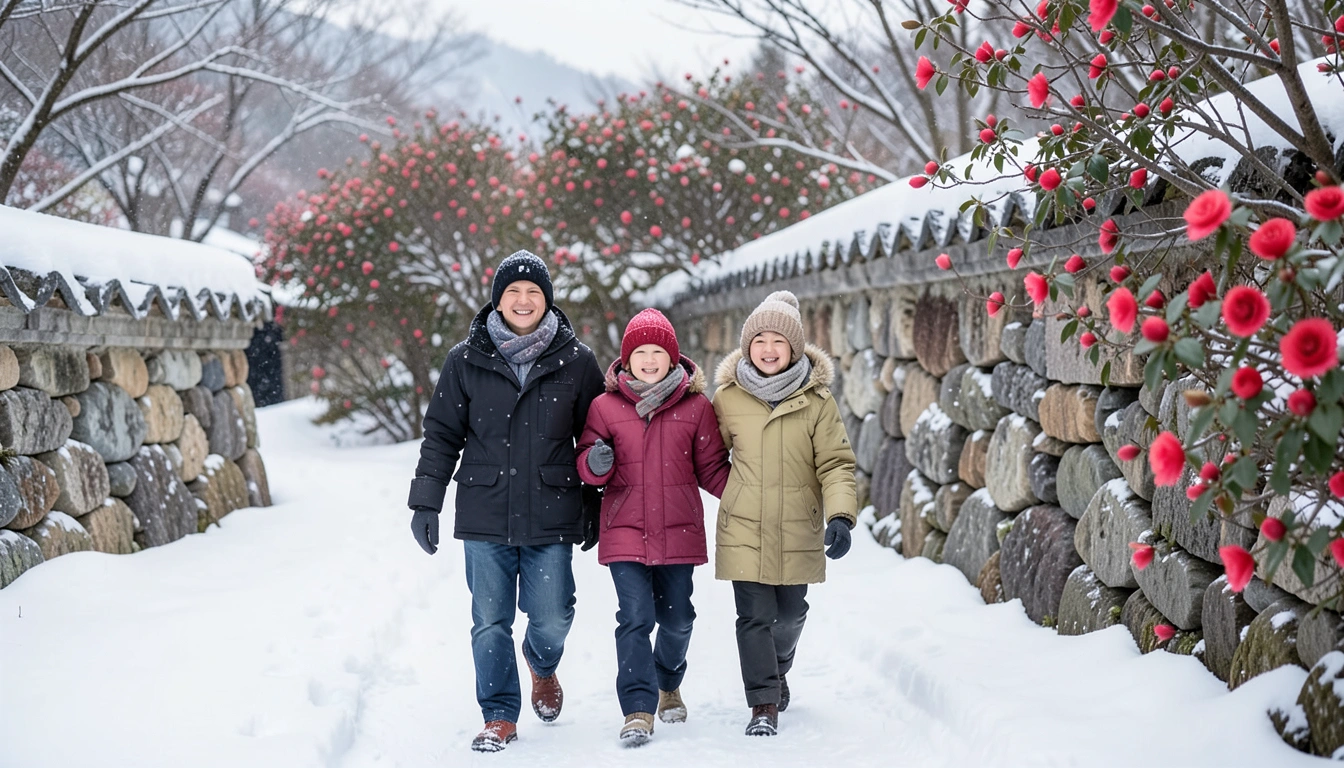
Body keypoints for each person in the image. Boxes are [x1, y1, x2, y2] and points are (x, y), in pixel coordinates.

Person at [407, 250, 604, 753]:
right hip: (485, 511)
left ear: (547, 301)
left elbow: (597, 437)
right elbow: (441, 434)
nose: (522, 300)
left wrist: (595, 503)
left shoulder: (577, 361)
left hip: (552, 511)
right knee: (489, 620)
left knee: (553, 615)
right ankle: (498, 714)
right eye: (512, 292)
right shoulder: (465, 359)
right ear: (497, 300)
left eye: (532, 292)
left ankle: (542, 665)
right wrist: (426, 502)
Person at [575, 309, 731, 747]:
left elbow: (713, 468)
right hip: (624, 530)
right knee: (635, 618)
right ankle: (638, 708)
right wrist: (594, 463)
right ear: (626, 359)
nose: (648, 359)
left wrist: (749, 496)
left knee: (679, 620)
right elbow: (586, 461)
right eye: (639, 352)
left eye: (657, 352)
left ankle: (668, 681)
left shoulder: (696, 407)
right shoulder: (605, 407)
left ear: (673, 358)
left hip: (679, 532)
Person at [710, 290, 857, 737]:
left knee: (790, 614)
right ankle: (763, 704)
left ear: (793, 348)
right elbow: (708, 458)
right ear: (747, 345)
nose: (768, 349)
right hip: (744, 528)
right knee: (753, 617)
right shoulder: (728, 398)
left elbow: (835, 463)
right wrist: (733, 495)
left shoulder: (817, 401)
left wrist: (841, 517)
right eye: (759, 340)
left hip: (798, 526)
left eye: (778, 341)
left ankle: (778, 668)